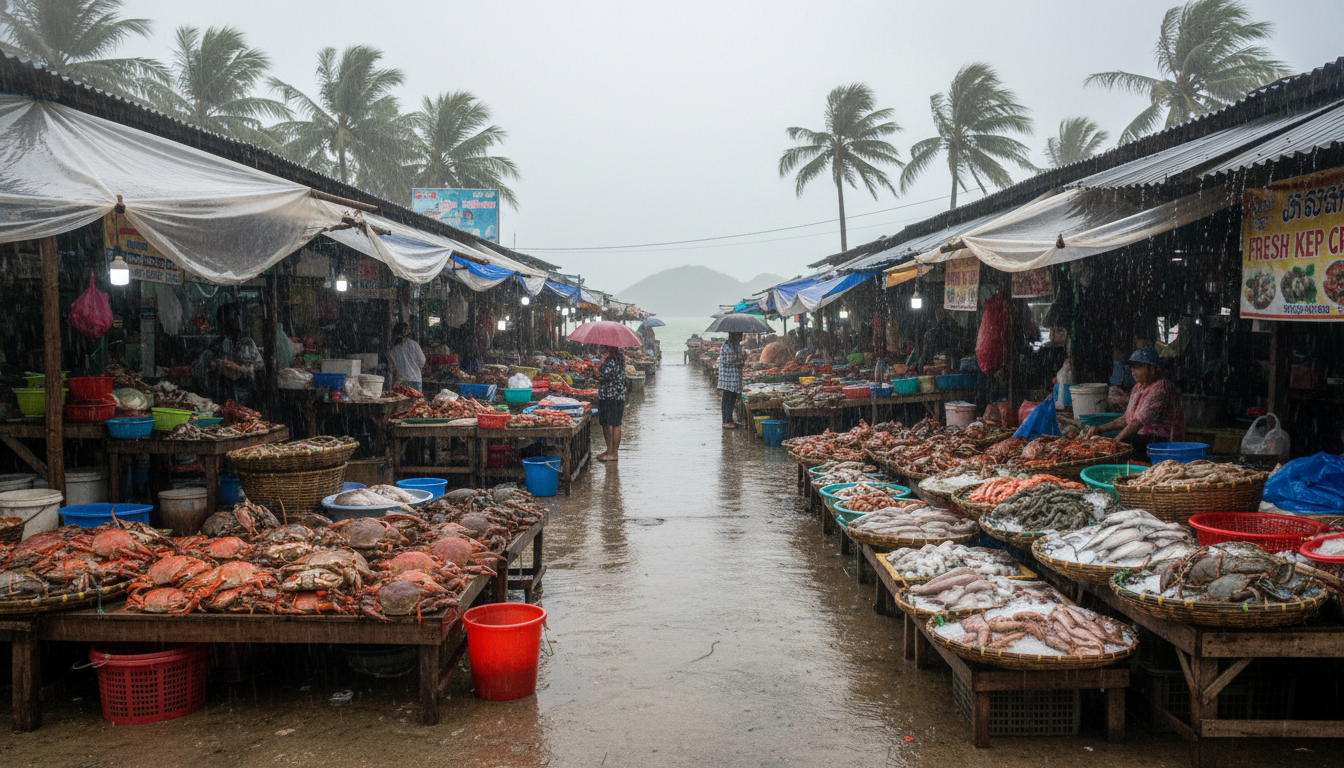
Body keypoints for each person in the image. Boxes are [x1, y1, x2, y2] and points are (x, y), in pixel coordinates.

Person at [1084, 347, 1185, 459]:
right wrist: (1099, 429)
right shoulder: (1137, 388)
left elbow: (1137, 422)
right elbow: (1126, 419)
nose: (1133, 370)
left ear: (1152, 369)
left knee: (1126, 444)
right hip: (1144, 438)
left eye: (1138, 367)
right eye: (1132, 367)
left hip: (1164, 443)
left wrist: (1114, 442)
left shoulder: (1161, 387)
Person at [197, 303, 262, 406]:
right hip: (224, 392)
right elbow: (207, 363)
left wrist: (238, 368)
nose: (226, 326)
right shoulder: (221, 342)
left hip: (245, 393)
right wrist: (213, 363)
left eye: (230, 321)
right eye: (223, 323)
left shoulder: (247, 344)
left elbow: (258, 368)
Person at [596, 345, 627, 461]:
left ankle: (613, 453)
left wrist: (597, 368)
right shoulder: (620, 357)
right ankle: (609, 450)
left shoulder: (613, 358)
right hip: (616, 394)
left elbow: (605, 374)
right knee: (610, 423)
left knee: (614, 423)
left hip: (611, 394)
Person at [387, 322, 426, 394]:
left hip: (400, 382)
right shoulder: (414, 344)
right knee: (416, 404)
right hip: (415, 380)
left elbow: (392, 369)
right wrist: (414, 368)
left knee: (402, 404)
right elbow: (422, 361)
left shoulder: (393, 351)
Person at [717, 332, 745, 428]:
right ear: (734, 336)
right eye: (739, 336)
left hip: (735, 377)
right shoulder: (727, 346)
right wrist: (739, 357)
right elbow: (728, 360)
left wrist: (742, 358)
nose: (741, 338)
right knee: (727, 399)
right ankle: (725, 421)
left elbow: (739, 360)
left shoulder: (737, 346)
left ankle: (730, 420)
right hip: (727, 377)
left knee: (732, 398)